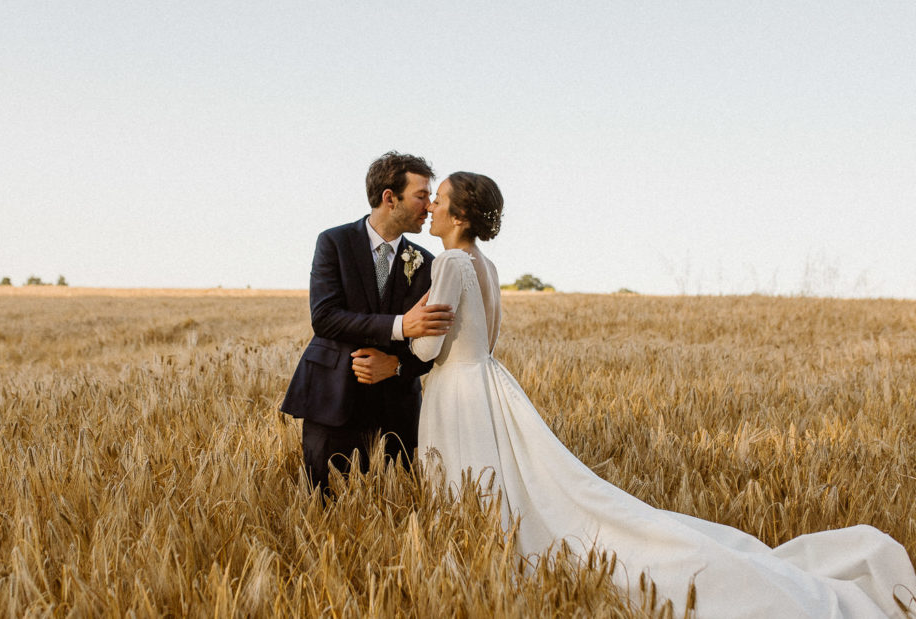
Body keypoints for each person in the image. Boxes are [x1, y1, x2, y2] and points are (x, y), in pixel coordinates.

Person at [410, 172, 916, 618]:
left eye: (440, 200)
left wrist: (402, 330)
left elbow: (431, 347)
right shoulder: (487, 266)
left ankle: (482, 571)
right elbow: (489, 337)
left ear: (459, 214)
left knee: (471, 487)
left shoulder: (449, 264)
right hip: (491, 382)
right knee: (518, 488)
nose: (430, 206)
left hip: (457, 391)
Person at [281, 152, 454, 495]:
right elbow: (325, 318)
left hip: (397, 413)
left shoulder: (427, 262)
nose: (429, 206)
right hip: (332, 402)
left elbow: (436, 344)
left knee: (395, 513)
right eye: (421, 196)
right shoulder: (334, 242)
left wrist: (396, 366)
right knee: (323, 508)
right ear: (390, 198)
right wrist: (401, 325)